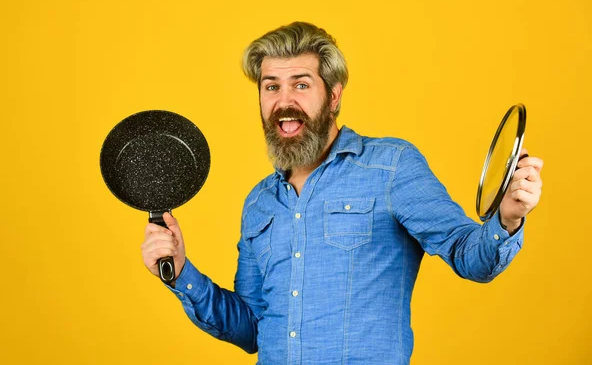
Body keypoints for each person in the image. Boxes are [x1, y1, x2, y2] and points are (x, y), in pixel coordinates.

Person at [141, 22, 543, 364]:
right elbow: (252, 327)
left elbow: (469, 255)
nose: (284, 102)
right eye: (271, 87)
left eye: (301, 84)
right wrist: (180, 272)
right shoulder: (259, 202)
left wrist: (506, 218)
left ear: (333, 95)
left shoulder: (391, 167)